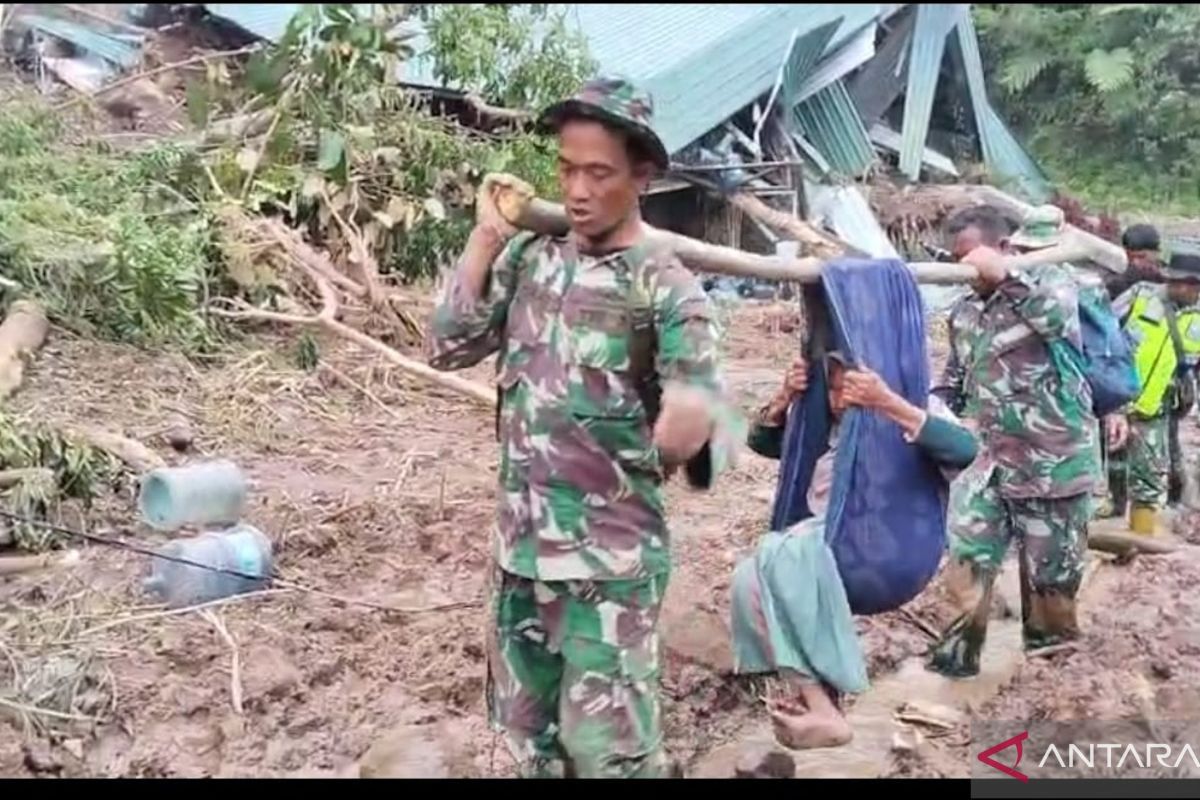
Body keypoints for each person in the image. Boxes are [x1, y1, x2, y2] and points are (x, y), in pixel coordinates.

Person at [425, 76, 742, 778]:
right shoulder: (531, 258)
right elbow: (446, 346)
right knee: (529, 744)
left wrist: (673, 436)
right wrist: (485, 237)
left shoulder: (667, 288)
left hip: (608, 572)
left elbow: (695, 416)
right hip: (520, 557)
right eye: (567, 169)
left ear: (642, 176)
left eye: (599, 173)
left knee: (611, 757)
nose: (576, 190)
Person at [730, 352, 977, 749]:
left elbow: (965, 449)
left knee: (784, 552)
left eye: (848, 387)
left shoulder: (913, 402)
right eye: (832, 389)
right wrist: (784, 398)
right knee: (749, 579)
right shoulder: (821, 421)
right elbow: (766, 443)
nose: (841, 399)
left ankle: (825, 702)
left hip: (885, 544)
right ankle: (816, 699)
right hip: (825, 537)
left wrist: (886, 402)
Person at [928, 204, 1100, 678]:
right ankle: (956, 660)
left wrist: (1007, 276)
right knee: (967, 552)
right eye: (955, 259)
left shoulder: (1053, 284)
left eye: (969, 257)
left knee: (1051, 579)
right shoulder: (965, 311)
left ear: (1002, 247)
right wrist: (933, 405)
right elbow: (956, 377)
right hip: (992, 462)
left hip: (1054, 462)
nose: (964, 269)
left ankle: (1048, 672)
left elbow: (1056, 318)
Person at [1106, 252, 1200, 534]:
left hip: (1156, 406)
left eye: (1182, 283)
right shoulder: (1141, 296)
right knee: (1113, 460)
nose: (1174, 287)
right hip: (1116, 398)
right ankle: (1114, 505)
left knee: (1147, 475)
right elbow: (1106, 328)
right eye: (1172, 281)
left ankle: (1140, 536)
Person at [1097, 224, 1165, 517]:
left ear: (1156, 254)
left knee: (1159, 446)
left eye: (1144, 257)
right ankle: (1117, 501)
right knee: (1115, 443)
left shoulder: (1169, 285)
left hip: (1160, 378)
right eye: (1134, 257)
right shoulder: (1116, 285)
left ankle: (1163, 502)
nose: (1139, 264)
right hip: (1121, 372)